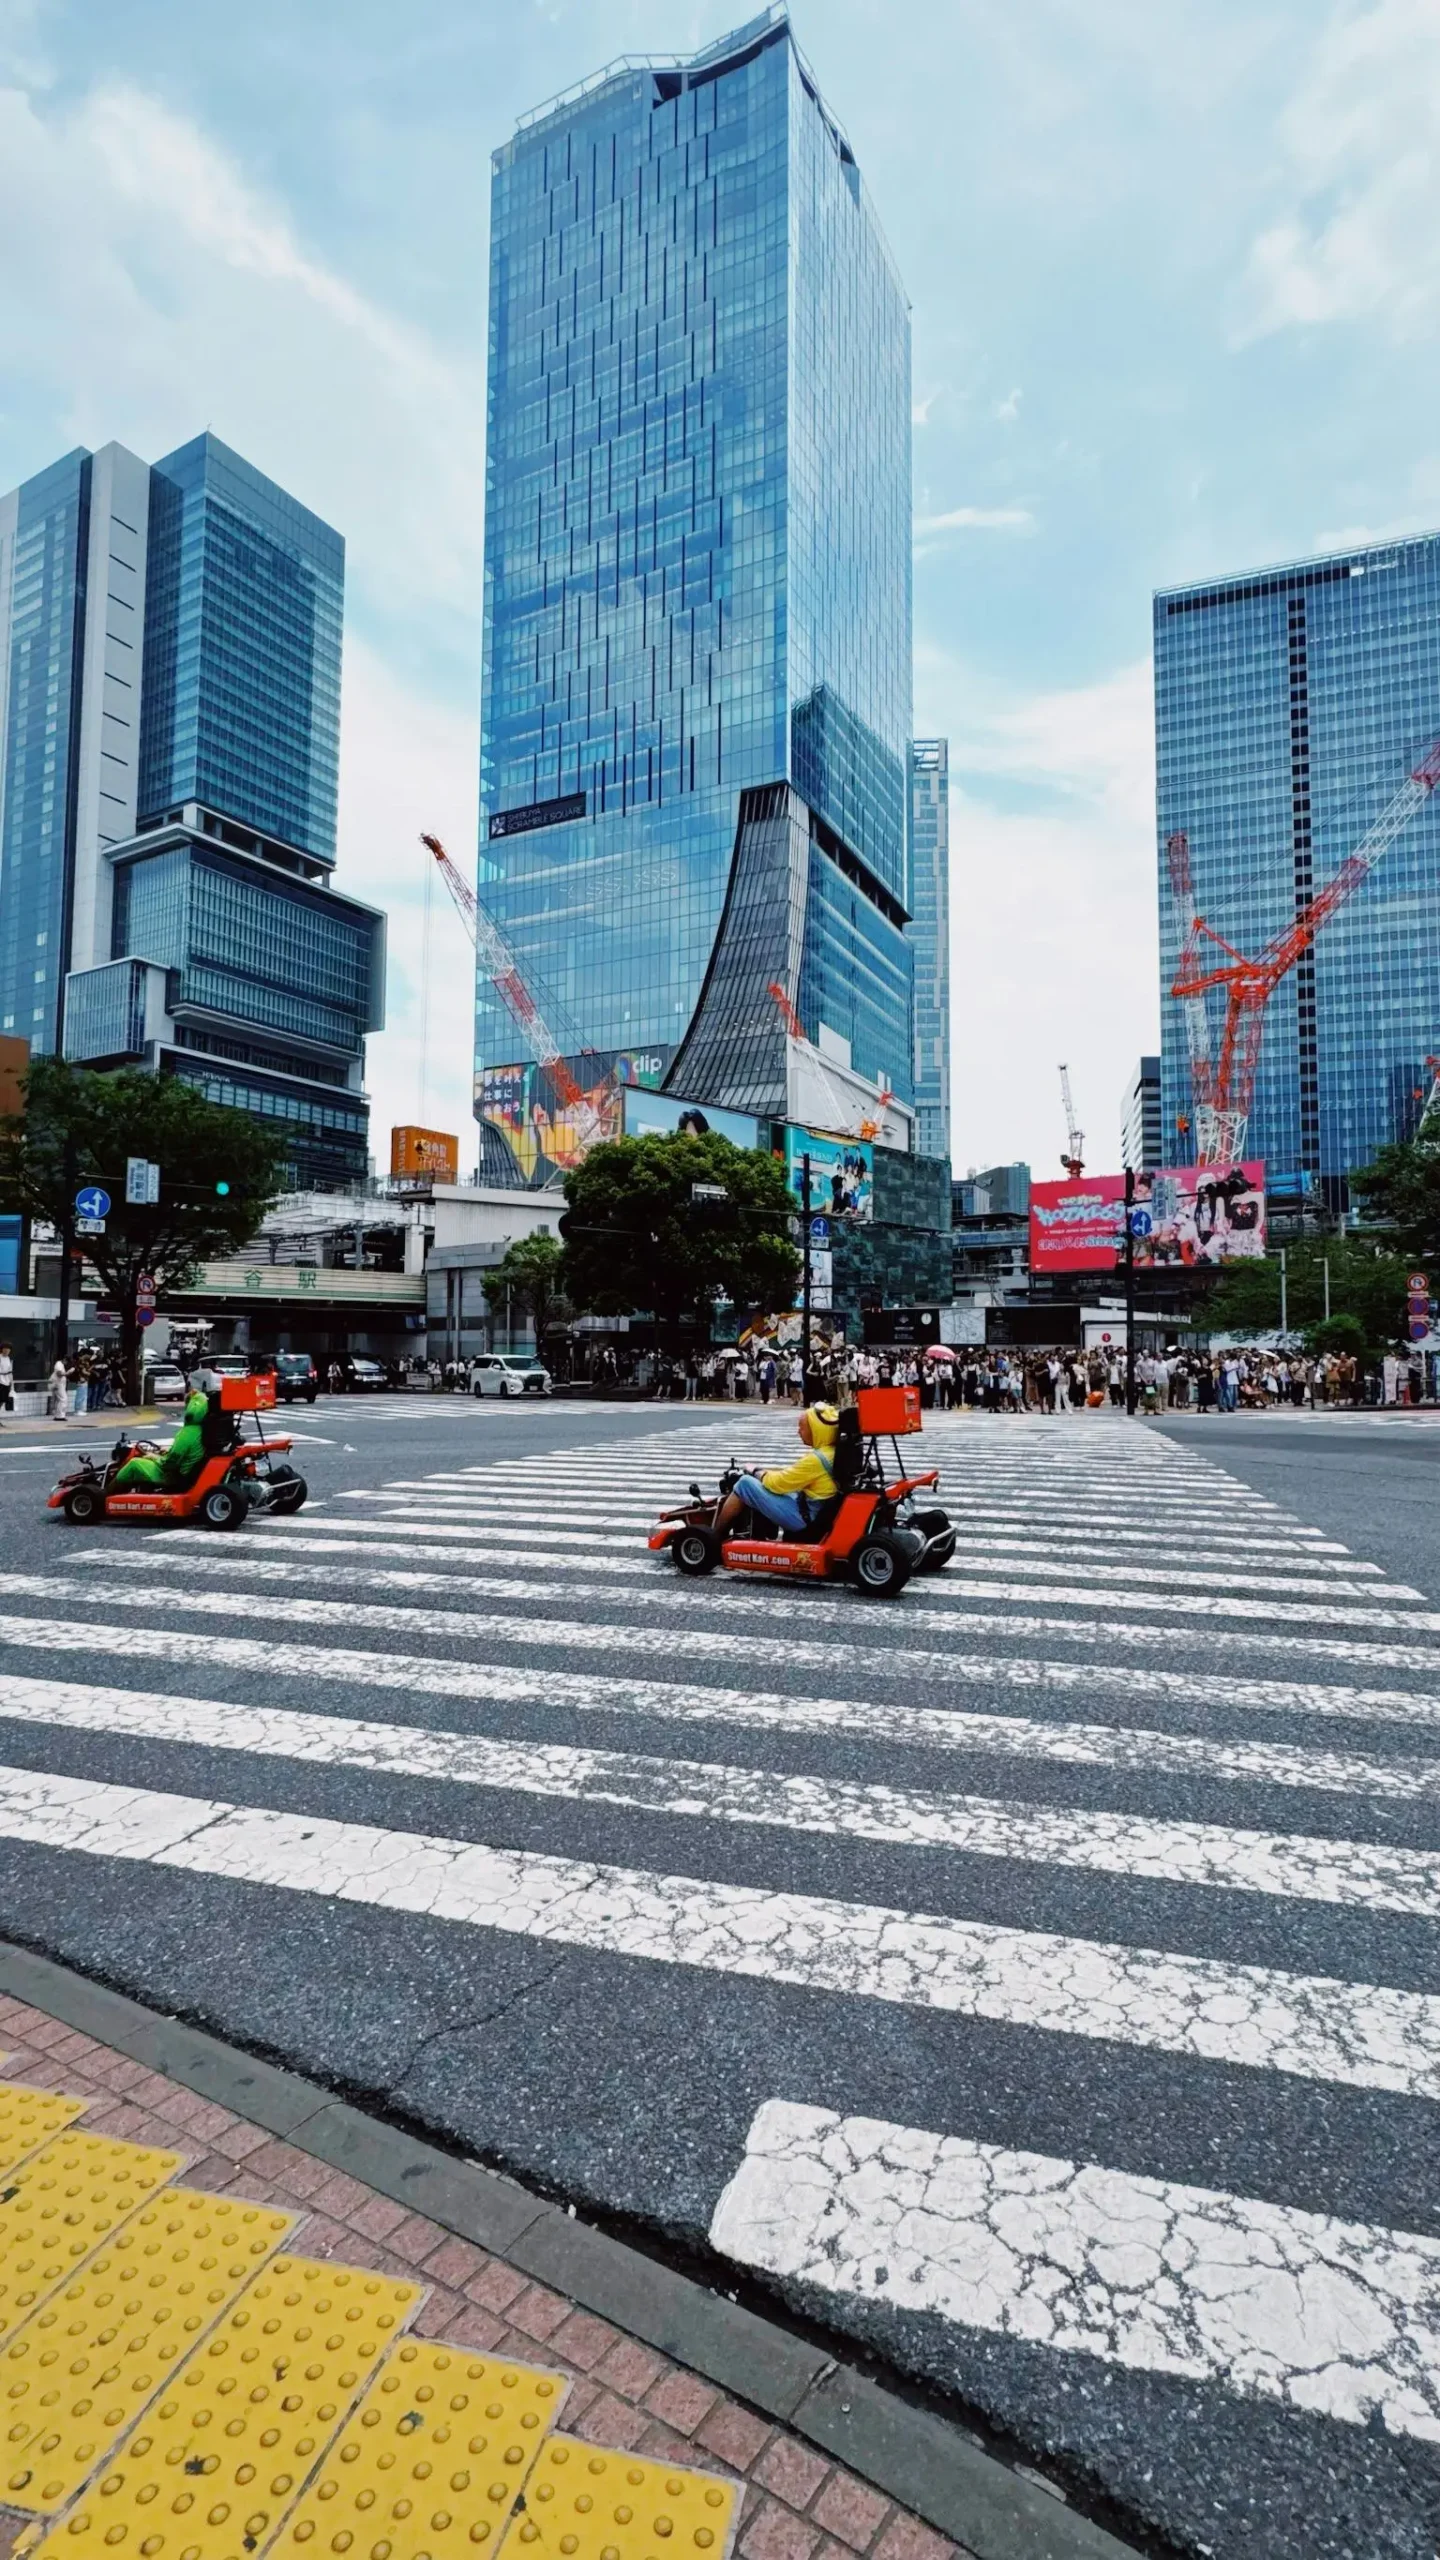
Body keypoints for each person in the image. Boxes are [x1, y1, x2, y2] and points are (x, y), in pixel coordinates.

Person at [715, 1403, 840, 1537]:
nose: (798, 1432)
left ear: (816, 1430)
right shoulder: (832, 1452)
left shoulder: (816, 1460)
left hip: (806, 1518)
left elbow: (777, 1484)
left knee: (745, 1484)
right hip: (815, 1509)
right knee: (765, 1482)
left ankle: (716, 1535)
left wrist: (756, 1471)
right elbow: (788, 1479)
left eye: (802, 1428)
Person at [48, 1356, 68, 1420]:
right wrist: (67, 1373)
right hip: (57, 1384)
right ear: (64, 1359)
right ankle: (60, 1416)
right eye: (66, 1361)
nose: (66, 1363)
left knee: (58, 1400)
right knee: (63, 1399)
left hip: (59, 1384)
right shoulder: (58, 1364)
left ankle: (58, 1415)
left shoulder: (61, 1365)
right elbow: (59, 1374)